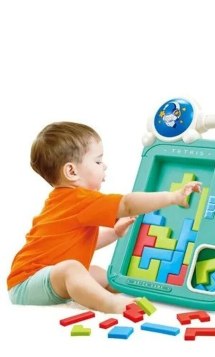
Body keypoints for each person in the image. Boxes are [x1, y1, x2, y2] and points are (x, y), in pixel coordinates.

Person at [7, 122, 201, 313]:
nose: (105, 166)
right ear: (71, 171)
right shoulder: (78, 199)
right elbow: (128, 204)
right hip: (27, 283)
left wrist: (114, 233)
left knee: (103, 275)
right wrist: (172, 197)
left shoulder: (66, 201)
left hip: (48, 279)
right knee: (72, 269)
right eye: (98, 161)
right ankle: (112, 304)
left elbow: (81, 243)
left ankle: (122, 290)